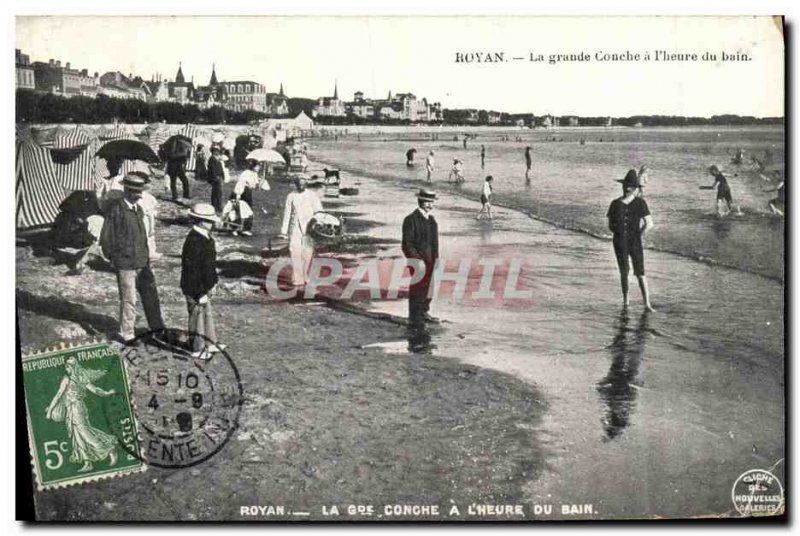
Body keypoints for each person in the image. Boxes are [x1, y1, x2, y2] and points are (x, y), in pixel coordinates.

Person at [100, 172, 166, 345]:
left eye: (140, 191)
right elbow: (106, 238)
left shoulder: (138, 209)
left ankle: (158, 330)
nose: (140, 194)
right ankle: (127, 333)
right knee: (129, 299)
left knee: (151, 296)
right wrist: (116, 258)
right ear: (127, 190)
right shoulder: (116, 210)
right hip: (126, 263)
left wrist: (146, 256)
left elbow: (143, 235)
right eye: (137, 191)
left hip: (142, 262)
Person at [45, 357, 118, 472]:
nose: (67, 368)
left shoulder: (77, 378)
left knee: (85, 433)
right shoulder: (69, 379)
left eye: (69, 366)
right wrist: (50, 409)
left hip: (77, 408)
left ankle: (109, 450)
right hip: (71, 409)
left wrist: (107, 393)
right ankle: (87, 463)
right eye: (66, 366)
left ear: (73, 367)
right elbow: (60, 396)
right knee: (77, 436)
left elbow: (94, 390)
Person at [180, 203, 225, 359]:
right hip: (194, 287)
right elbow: (192, 271)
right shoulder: (194, 241)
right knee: (197, 317)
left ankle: (211, 342)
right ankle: (197, 348)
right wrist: (199, 292)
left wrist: (213, 282)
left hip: (205, 285)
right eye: (209, 221)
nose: (212, 223)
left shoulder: (206, 238)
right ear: (199, 221)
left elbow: (209, 266)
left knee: (207, 314)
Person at [606, 170, 655, 312]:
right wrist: (636, 235)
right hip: (624, 241)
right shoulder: (616, 203)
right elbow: (610, 224)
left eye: (629, 186)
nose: (627, 188)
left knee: (638, 272)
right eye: (626, 186)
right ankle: (628, 301)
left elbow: (649, 223)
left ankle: (646, 304)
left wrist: (637, 235)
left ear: (634, 189)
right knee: (627, 271)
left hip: (628, 241)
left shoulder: (638, 203)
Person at [402, 189, 440, 327]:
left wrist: (436, 259)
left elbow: (435, 243)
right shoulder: (410, 219)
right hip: (418, 262)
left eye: (432, 202)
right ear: (420, 202)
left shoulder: (432, 220)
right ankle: (415, 316)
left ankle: (424, 312)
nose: (430, 205)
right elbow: (407, 244)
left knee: (429, 287)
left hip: (430, 260)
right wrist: (417, 261)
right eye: (427, 202)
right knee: (418, 288)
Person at [279, 175, 323, 287]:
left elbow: (319, 212)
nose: (301, 185)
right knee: (294, 250)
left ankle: (305, 274)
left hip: (309, 228)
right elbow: (287, 214)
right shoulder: (291, 196)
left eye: (303, 183)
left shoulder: (312, 196)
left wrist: (319, 224)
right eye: (299, 183)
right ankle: (297, 278)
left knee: (307, 252)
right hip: (294, 228)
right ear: (296, 183)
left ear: (306, 183)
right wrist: (284, 231)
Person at [231, 159, 261, 236]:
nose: (258, 168)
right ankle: (234, 228)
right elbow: (240, 182)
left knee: (249, 211)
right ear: (253, 166)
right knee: (238, 210)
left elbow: (256, 186)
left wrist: (260, 183)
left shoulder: (255, 174)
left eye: (259, 166)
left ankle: (246, 229)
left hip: (248, 193)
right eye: (257, 166)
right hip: (241, 192)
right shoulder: (246, 173)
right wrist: (238, 194)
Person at [207, 146, 225, 213]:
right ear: (213, 152)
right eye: (216, 151)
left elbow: (221, 168)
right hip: (215, 178)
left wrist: (222, 176)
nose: (217, 152)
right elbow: (212, 169)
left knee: (218, 193)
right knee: (216, 193)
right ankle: (216, 206)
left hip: (218, 177)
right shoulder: (212, 159)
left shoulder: (217, 159)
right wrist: (215, 177)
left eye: (218, 151)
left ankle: (217, 206)